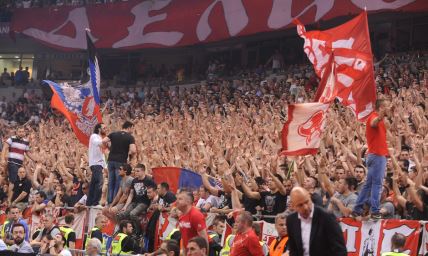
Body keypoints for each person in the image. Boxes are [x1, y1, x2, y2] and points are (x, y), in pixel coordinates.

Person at [352, 99, 389, 219]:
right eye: (386, 106)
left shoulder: (381, 120)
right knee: (377, 184)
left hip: (374, 155)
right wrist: (380, 116)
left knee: (368, 185)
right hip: (377, 156)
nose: (389, 108)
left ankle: (357, 209)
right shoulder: (373, 117)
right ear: (381, 107)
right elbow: (373, 123)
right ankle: (375, 210)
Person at [286, 187, 347, 256]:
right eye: (300, 205)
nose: (305, 207)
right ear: (293, 206)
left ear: (309, 197)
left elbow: (340, 250)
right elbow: (294, 250)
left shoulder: (327, 217)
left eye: (307, 202)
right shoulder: (291, 220)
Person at [103, 121, 137, 204]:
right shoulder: (130, 137)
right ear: (129, 127)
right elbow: (133, 150)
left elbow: (104, 141)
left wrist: (110, 148)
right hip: (121, 161)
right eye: (132, 128)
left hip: (110, 160)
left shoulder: (113, 134)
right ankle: (114, 202)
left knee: (111, 181)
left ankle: (109, 201)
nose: (132, 130)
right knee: (118, 182)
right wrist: (129, 154)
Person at [176, 190, 208, 255]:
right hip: (191, 250)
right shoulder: (181, 216)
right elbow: (184, 238)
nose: (177, 201)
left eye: (180, 199)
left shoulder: (195, 215)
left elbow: (204, 240)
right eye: (177, 199)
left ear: (188, 201)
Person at [87, 123, 107, 206]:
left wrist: (105, 166)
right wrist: (107, 140)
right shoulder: (94, 136)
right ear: (99, 129)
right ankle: (95, 203)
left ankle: (89, 202)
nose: (105, 129)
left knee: (94, 183)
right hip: (95, 163)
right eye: (104, 127)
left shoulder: (100, 137)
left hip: (99, 163)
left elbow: (102, 154)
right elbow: (100, 144)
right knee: (99, 182)